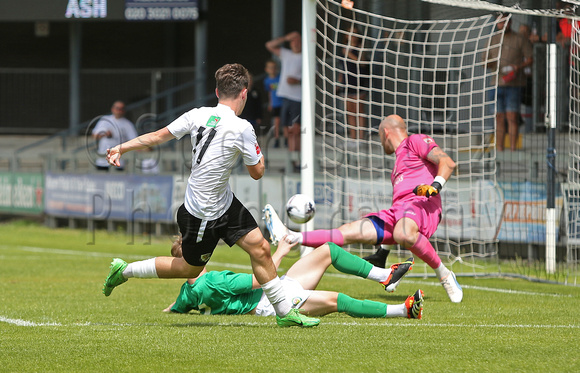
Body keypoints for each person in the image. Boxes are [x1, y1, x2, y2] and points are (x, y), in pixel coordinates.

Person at [101, 63, 320, 328]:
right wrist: (259, 158)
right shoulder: (242, 128)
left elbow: (158, 136)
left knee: (261, 248)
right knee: (189, 269)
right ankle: (124, 270)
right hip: (203, 212)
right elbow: (257, 173)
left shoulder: (196, 114)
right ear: (244, 94)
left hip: (223, 202)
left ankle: (285, 314)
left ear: (217, 92)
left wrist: (121, 148)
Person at [264, 114, 464, 303]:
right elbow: (401, 217)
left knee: (403, 232)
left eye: (379, 137)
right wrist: (383, 253)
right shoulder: (397, 166)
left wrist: (435, 186)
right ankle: (292, 237)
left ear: (385, 133)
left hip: (422, 204)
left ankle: (444, 274)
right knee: (349, 230)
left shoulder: (415, 141)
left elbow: (447, 162)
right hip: (400, 212)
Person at [164, 235, 423, 320]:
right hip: (272, 302)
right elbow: (262, 279)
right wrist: (281, 251)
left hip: (276, 289)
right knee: (337, 300)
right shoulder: (215, 281)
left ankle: (385, 276)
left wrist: (168, 311)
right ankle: (403, 310)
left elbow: (175, 308)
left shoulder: (187, 292)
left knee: (328, 251)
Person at [485, 14, 533, 151]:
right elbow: (484, 61)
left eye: (504, 22)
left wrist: (519, 67)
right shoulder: (492, 39)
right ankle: (499, 149)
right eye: (499, 23)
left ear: (510, 22)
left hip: (514, 84)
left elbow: (530, 58)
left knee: (512, 117)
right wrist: (491, 63)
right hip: (496, 83)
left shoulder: (519, 39)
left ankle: (513, 148)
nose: (502, 25)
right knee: (499, 117)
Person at [266, 31, 302, 172]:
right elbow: (269, 45)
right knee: (286, 131)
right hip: (284, 97)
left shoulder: (306, 56)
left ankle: (297, 161)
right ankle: (291, 162)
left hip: (297, 98)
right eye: (293, 41)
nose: (295, 43)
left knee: (295, 130)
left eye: (298, 41)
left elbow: (315, 78)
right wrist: (286, 37)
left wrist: (297, 80)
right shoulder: (286, 54)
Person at [339, 25, 370, 142]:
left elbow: (362, 63)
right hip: (347, 83)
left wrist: (349, 54)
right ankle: (353, 137)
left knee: (359, 111)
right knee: (350, 112)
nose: (353, 36)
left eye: (355, 33)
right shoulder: (343, 49)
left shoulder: (360, 48)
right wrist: (339, 82)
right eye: (351, 33)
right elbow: (342, 67)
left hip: (358, 82)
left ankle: (361, 138)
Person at [91, 100, 138, 171]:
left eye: (121, 109)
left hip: (118, 162)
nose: (119, 111)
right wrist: (105, 134)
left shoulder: (127, 124)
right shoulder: (104, 120)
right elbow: (94, 135)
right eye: (117, 108)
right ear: (112, 109)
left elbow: (134, 140)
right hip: (102, 161)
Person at [263, 60, 283, 148]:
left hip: (283, 102)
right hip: (275, 104)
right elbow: (269, 93)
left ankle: (286, 138)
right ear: (267, 69)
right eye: (270, 68)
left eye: (274, 68)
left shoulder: (280, 78)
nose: (273, 69)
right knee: (276, 121)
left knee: (285, 122)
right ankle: (277, 138)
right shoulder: (267, 81)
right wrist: (270, 103)